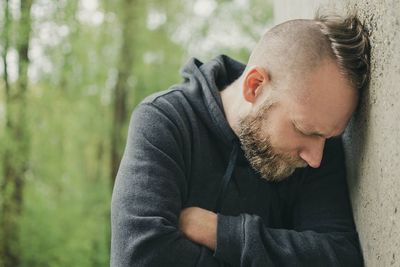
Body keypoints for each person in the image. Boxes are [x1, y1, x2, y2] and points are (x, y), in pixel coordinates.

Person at [111, 13, 370, 267]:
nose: (315, 159)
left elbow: (339, 257)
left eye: (328, 136)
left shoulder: (320, 143)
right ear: (254, 86)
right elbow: (139, 257)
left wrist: (220, 233)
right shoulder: (166, 122)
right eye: (304, 130)